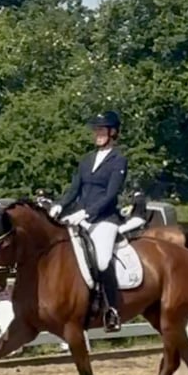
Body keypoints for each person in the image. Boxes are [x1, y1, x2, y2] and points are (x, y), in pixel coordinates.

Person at [49, 110, 128, 332]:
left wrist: (86, 213)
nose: (97, 134)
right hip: (80, 217)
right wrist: (60, 205)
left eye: (102, 130)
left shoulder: (118, 160)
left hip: (105, 219)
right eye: (96, 130)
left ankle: (112, 309)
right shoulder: (87, 160)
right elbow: (74, 189)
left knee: (101, 261)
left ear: (113, 132)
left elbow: (111, 195)